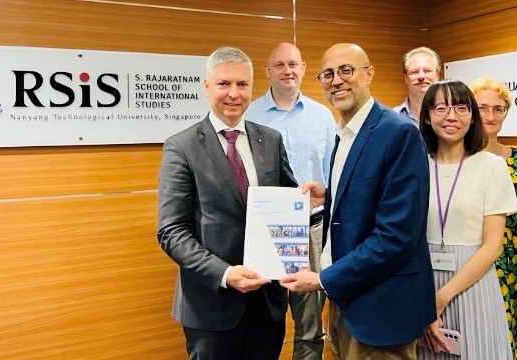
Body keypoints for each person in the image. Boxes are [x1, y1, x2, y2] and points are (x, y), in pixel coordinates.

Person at [279, 43, 435, 359]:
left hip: (381, 308)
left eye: (346, 70)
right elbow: (369, 196)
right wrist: (331, 196)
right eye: (328, 74)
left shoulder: (398, 132)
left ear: (369, 73)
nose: (337, 81)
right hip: (346, 303)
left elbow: (396, 237)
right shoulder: (346, 132)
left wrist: (323, 278)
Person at [156, 46, 297, 360]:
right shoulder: (181, 147)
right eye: (224, 84)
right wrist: (225, 273)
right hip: (211, 307)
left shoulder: (270, 140)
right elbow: (172, 232)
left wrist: (307, 201)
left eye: (242, 84)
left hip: (267, 303)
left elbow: (286, 205)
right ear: (207, 87)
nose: (234, 93)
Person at [245, 41, 336, 360]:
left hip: (312, 228)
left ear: (303, 69)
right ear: (268, 71)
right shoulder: (248, 114)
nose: (288, 70)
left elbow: (331, 174)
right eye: (280, 65)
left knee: (310, 323)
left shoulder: (323, 116)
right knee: (260, 319)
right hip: (265, 230)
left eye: (294, 64)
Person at [417, 79, 517, 359]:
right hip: (422, 277)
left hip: (472, 281)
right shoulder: (416, 164)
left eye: (461, 108)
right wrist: (428, 299)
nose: (451, 116)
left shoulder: (491, 166)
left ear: (472, 115)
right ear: (426, 115)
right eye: (441, 108)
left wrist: (442, 297)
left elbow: (493, 245)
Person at [469, 77, 517, 360]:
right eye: (482, 107)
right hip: (468, 265)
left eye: (498, 109)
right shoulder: (455, 158)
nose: (490, 115)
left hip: (508, 267)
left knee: (507, 337)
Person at [394, 47, 442, 127]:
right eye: (414, 72)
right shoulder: (393, 118)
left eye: (427, 71)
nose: (421, 76)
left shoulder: (451, 116)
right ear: (405, 78)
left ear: (437, 75)